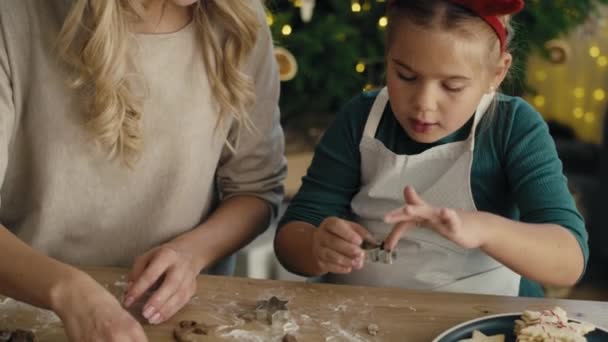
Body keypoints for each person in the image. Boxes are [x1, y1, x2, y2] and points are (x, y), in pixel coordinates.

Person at [0, 0, 286, 340]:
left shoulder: (238, 18)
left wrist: (191, 253)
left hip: (182, 319)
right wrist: (69, 291)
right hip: (25, 310)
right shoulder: (15, 16)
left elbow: (255, 190)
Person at [274, 0, 588, 298]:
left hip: (481, 322)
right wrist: (317, 245)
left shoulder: (512, 127)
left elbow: (569, 259)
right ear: (388, 58)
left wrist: (481, 229)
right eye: (405, 76)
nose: (424, 104)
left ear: (497, 73)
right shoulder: (360, 118)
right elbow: (291, 239)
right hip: (359, 316)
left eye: (452, 86)